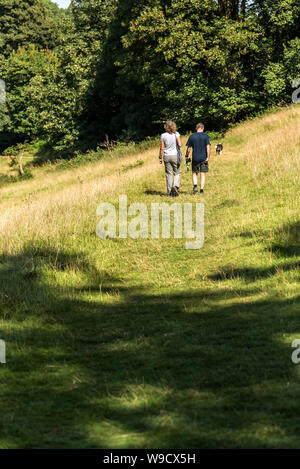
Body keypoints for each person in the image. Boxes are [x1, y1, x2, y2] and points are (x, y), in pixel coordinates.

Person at [185, 123, 210, 195]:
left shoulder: (192, 136)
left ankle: (195, 186)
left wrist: (186, 155)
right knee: (203, 173)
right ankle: (201, 190)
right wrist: (208, 157)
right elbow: (208, 147)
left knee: (194, 173)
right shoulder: (206, 136)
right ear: (202, 128)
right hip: (203, 158)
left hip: (195, 158)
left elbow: (189, 148)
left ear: (196, 128)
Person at [159, 120, 182, 196]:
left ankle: (169, 192)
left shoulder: (163, 135)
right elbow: (180, 144)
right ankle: (175, 186)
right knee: (177, 172)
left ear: (166, 127)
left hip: (166, 156)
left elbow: (162, 148)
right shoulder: (176, 134)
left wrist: (160, 157)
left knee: (168, 174)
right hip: (175, 155)